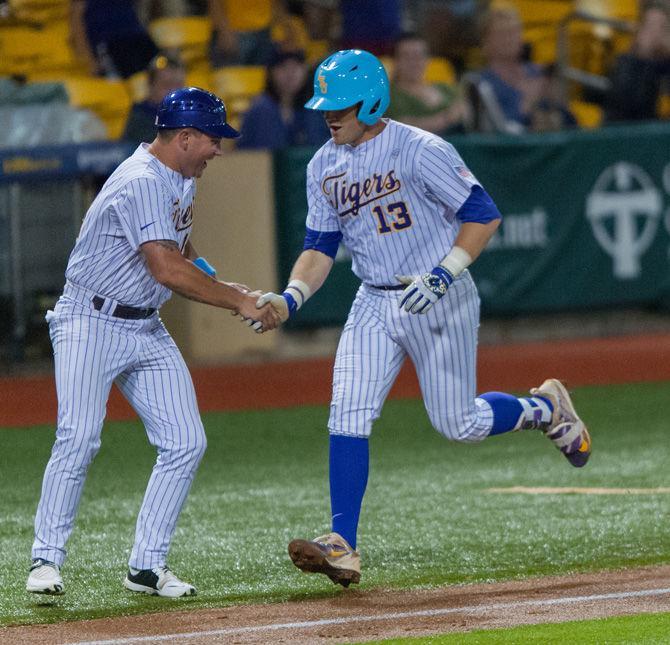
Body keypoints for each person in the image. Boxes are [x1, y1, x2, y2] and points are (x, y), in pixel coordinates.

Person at [252, 49, 591, 587]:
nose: (330, 115)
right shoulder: (323, 164)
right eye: (326, 106)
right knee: (347, 412)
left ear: (373, 99)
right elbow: (319, 247)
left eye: (342, 105)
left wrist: (444, 272)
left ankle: (544, 408)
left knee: (457, 424)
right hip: (373, 300)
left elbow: (483, 214)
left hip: (439, 295)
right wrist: (290, 297)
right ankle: (343, 543)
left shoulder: (420, 147)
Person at [26, 87, 280, 598]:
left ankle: (146, 566)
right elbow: (164, 267)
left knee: (186, 441)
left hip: (145, 324)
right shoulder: (142, 179)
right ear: (184, 137)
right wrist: (237, 302)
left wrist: (225, 283)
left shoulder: (179, 174)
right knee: (78, 436)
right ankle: (45, 560)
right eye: (212, 139)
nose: (218, 149)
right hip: (89, 321)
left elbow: (180, 244)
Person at [476, 5, 575, 133]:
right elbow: (493, 133)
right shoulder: (480, 84)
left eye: (515, 31)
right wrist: (528, 103)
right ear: (486, 42)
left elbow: (570, 123)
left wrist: (555, 99)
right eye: (503, 33)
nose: (511, 38)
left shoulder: (540, 73)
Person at [237, 49, 330, 149]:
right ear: (271, 73)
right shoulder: (259, 110)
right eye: (283, 67)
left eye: (296, 67)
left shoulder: (314, 110)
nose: (290, 74)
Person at [386, 32, 467, 137]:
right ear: (395, 61)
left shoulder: (445, 88)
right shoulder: (389, 96)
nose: (413, 62)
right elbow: (403, 126)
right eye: (406, 56)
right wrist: (448, 117)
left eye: (419, 56)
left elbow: (466, 109)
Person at [604, 1, 670, 123]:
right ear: (639, 31)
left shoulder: (665, 66)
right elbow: (631, 104)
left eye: (662, 27)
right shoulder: (626, 65)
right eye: (650, 27)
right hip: (626, 135)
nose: (655, 34)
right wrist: (643, 57)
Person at [70, 0, 159, 78]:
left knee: (159, 76)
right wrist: (89, 59)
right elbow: (76, 17)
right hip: (108, 43)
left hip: (138, 38)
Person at [122, 54, 186, 146]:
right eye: (166, 85)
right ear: (150, 85)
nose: (174, 93)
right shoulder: (140, 116)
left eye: (179, 86)